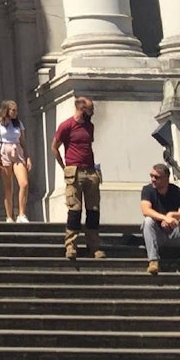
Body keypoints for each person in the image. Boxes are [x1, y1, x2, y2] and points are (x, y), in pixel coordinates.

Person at [52, 97, 105, 259]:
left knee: (93, 210)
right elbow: (54, 147)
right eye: (90, 109)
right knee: (74, 210)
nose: (93, 112)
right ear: (82, 109)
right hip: (74, 171)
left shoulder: (90, 126)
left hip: (90, 171)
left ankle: (94, 246)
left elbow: (89, 145)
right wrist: (64, 166)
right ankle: (71, 245)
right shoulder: (67, 126)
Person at [0, 100, 31, 223]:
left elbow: (23, 141)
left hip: (17, 151)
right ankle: (9, 216)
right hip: (4, 151)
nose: (16, 113)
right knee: (8, 187)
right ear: (6, 110)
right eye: (13, 110)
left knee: (24, 183)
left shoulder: (18, 123)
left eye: (16, 110)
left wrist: (27, 157)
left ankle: (21, 214)